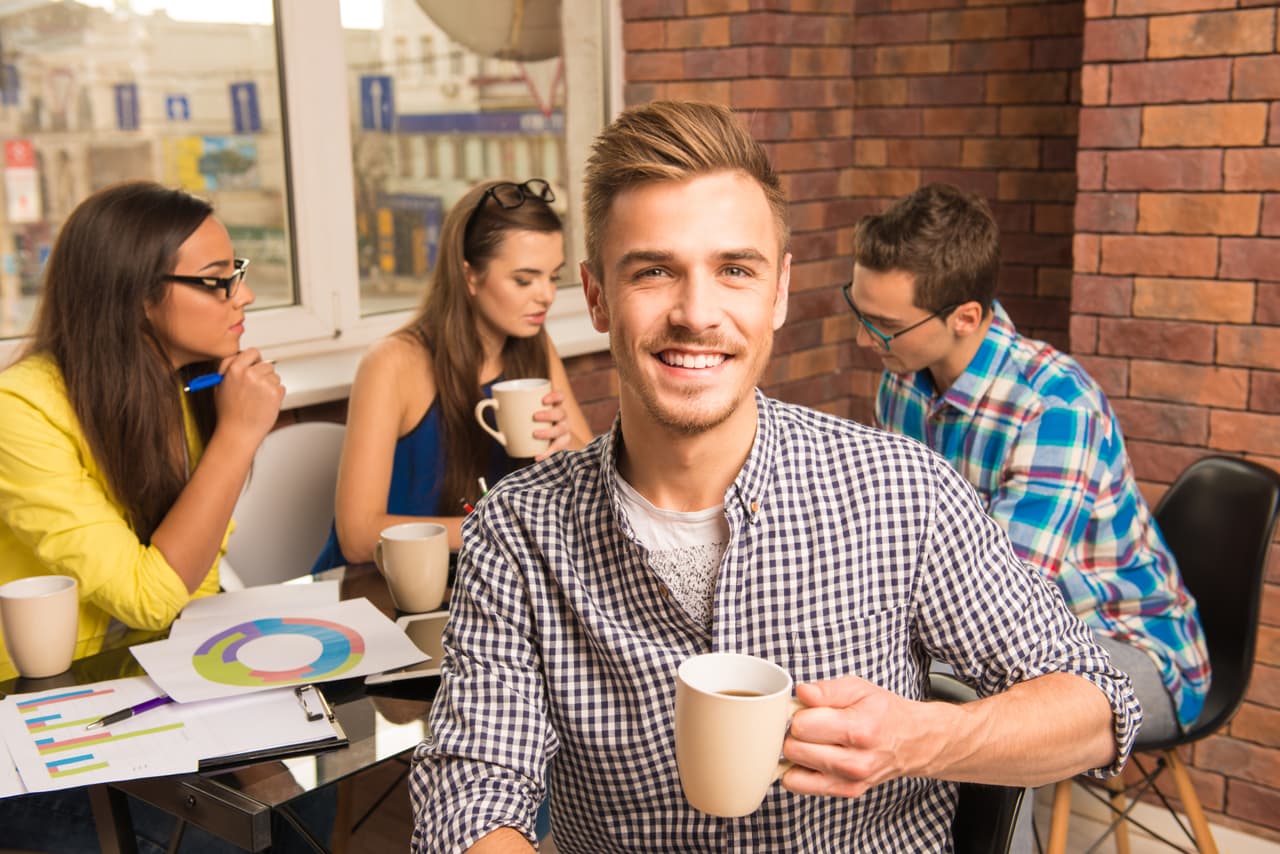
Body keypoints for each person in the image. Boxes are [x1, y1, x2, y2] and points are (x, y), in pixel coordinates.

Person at [408, 100, 1141, 853]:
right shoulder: (517, 530)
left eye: (735, 270)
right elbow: (472, 789)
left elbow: (1097, 704)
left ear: (779, 292)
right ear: (596, 297)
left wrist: (922, 738)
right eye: (654, 271)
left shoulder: (902, 490)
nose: (697, 313)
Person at [846, 182, 1209, 744]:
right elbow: (889, 531)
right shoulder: (904, 380)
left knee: (985, 703)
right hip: (986, 620)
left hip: (1126, 643)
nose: (863, 339)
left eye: (886, 326)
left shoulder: (1055, 408)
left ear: (965, 317)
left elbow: (1005, 603)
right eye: (860, 312)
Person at [0, 181, 303, 850]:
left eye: (237, 274)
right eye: (218, 281)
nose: (245, 297)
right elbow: (149, 596)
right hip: (30, 716)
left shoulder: (176, 387)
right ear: (136, 295)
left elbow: (190, 591)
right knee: (211, 838)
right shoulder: (19, 410)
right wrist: (238, 436)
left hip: (139, 687)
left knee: (295, 798)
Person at [312, 178, 592, 570]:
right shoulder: (392, 363)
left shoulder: (534, 345)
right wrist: (499, 529)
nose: (546, 295)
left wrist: (567, 449)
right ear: (469, 275)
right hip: (377, 585)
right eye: (524, 280)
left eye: (553, 276)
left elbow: (595, 491)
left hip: (476, 579)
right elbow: (357, 537)